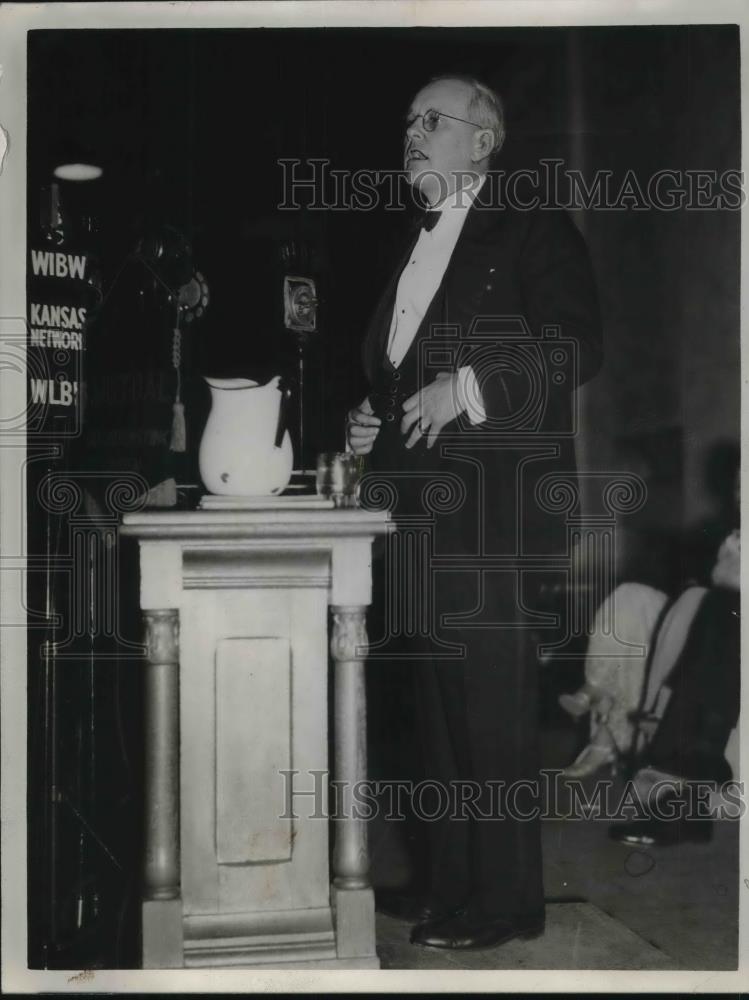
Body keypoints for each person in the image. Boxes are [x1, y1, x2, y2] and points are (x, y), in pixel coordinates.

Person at [347, 75, 602, 950]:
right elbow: (403, 372)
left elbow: (574, 347)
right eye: (407, 119)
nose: (411, 133)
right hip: (415, 517)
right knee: (436, 715)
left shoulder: (530, 226)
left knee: (489, 716)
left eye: (431, 120)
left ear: (484, 141)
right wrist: (375, 414)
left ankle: (504, 904)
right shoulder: (414, 245)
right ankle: (450, 890)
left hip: (494, 515)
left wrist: (466, 389)